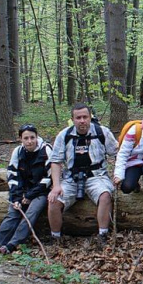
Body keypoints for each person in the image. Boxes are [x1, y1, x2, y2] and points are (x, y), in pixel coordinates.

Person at [47, 103, 118, 246]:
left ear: (90, 117)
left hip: (97, 176)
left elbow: (118, 153)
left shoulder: (101, 132)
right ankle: (55, 238)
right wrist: (56, 186)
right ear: (72, 119)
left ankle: (102, 235)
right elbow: (55, 162)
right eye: (78, 117)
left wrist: (119, 175)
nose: (82, 121)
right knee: (53, 201)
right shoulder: (64, 135)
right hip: (70, 179)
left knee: (105, 195)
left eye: (85, 117)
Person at [0, 124, 52, 254]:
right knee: (13, 212)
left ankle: (13, 244)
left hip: (41, 192)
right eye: (26, 138)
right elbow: (12, 176)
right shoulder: (18, 152)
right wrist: (17, 197)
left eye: (32, 137)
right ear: (20, 139)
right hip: (22, 191)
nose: (29, 141)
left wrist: (30, 196)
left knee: (31, 213)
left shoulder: (46, 150)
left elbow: (49, 177)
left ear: (37, 137)